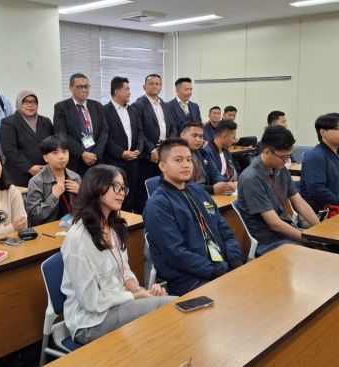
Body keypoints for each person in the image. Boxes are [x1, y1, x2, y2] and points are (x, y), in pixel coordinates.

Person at [61, 164, 174, 344]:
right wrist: (135, 296)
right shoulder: (78, 238)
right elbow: (90, 302)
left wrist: (141, 291)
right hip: (91, 320)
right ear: (96, 187)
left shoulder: (113, 227)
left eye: (123, 188)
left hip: (119, 303)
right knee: (170, 307)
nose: (122, 192)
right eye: (116, 187)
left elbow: (124, 272)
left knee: (168, 306)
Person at [144, 138, 244, 295]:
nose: (186, 164)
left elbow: (225, 231)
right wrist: (216, 273)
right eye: (178, 160)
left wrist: (236, 262)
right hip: (189, 279)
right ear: (163, 166)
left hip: (222, 266)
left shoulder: (199, 192)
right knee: (237, 299)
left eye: (189, 160)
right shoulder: (158, 205)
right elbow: (176, 254)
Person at [236, 126, 319, 256]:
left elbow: (300, 203)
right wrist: (308, 239)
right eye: (283, 157)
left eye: (289, 156)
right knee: (316, 256)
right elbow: (274, 224)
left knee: (329, 248)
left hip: (286, 233)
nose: (286, 161)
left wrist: (320, 232)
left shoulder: (280, 169)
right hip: (268, 241)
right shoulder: (251, 179)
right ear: (267, 152)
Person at [299, 113, 339, 212]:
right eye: (337, 129)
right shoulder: (315, 156)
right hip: (322, 210)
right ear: (323, 132)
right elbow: (317, 190)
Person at [102, 76, 144, 213]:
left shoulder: (133, 110)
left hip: (134, 162)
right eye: (127, 89)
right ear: (117, 91)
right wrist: (121, 153)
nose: (129, 92)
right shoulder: (104, 111)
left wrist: (138, 149)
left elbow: (140, 133)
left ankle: (129, 226)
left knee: (131, 196)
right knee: (115, 196)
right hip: (115, 163)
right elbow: (105, 138)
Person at [53, 73, 108, 177]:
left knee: (97, 191)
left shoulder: (97, 106)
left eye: (86, 86)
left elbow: (104, 131)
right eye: (79, 86)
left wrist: (95, 154)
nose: (84, 90)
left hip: (96, 161)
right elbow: (62, 135)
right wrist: (82, 154)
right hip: (75, 161)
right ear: (70, 88)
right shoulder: (61, 107)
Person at [0, 90, 55, 187]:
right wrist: (29, 168)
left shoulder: (45, 121)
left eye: (33, 102)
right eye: (26, 101)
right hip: (19, 175)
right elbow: (9, 149)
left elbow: (52, 145)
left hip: (44, 173)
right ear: (19, 103)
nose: (30, 105)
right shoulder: (9, 122)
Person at [26, 136, 81, 226]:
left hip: (73, 228)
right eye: (55, 153)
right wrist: (54, 196)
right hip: (47, 230)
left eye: (64, 152)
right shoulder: (36, 181)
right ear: (45, 158)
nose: (61, 157)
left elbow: (88, 210)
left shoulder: (75, 177)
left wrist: (81, 193)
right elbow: (34, 218)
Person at [179, 121, 232, 195]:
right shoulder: (177, 158)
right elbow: (182, 186)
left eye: (201, 136)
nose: (198, 140)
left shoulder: (203, 153)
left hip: (206, 193)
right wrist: (211, 189)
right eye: (194, 135)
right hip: (189, 196)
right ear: (182, 135)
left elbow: (215, 174)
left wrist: (225, 184)